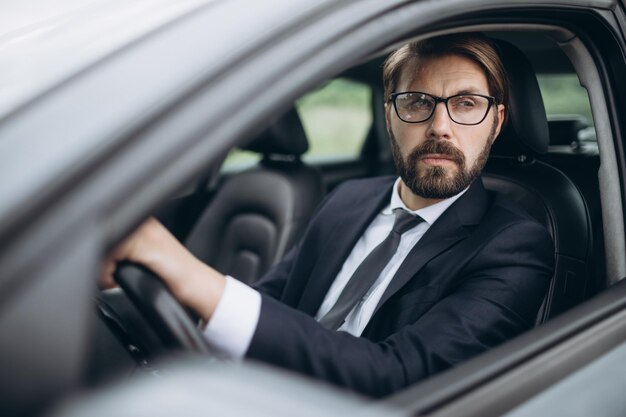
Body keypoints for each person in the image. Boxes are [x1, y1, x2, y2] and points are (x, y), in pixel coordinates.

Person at [102, 33, 553, 397]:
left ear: (497, 122)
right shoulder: (347, 199)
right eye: (417, 102)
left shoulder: (514, 245)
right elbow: (269, 302)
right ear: (388, 115)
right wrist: (141, 283)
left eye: (466, 104)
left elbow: (397, 379)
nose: (440, 126)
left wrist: (192, 276)